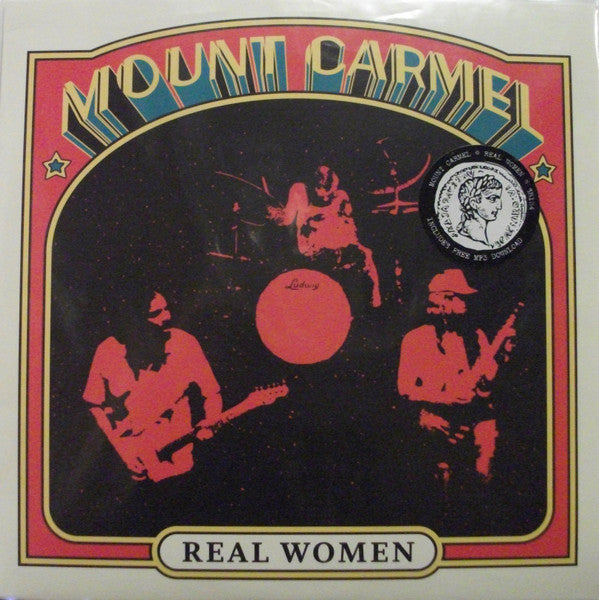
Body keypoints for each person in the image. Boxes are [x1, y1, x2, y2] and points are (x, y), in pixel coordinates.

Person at [83, 289, 223, 482]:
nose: (167, 317)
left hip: (180, 466)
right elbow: (94, 405)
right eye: (156, 313)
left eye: (166, 309)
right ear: (135, 322)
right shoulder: (108, 350)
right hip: (129, 473)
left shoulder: (185, 343)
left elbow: (212, 393)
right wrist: (123, 453)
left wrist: (211, 421)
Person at [397, 269, 517, 486]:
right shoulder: (414, 339)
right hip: (436, 418)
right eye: (459, 297)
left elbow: (487, 382)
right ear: (441, 301)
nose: (466, 303)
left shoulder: (476, 336)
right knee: (440, 472)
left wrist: (504, 355)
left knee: (487, 447)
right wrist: (447, 399)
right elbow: (405, 389)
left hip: (473, 416)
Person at [268, 165, 381, 307]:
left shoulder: (341, 196)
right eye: (322, 193)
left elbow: (350, 224)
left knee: (365, 255)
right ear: (313, 185)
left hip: (338, 243)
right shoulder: (299, 191)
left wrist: (351, 242)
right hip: (313, 248)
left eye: (330, 193)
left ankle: (374, 305)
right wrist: (274, 214)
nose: (326, 197)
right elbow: (286, 220)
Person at [457, 174, 503, 246]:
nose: (499, 207)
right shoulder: (475, 240)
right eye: (492, 199)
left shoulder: (477, 237)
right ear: (474, 203)